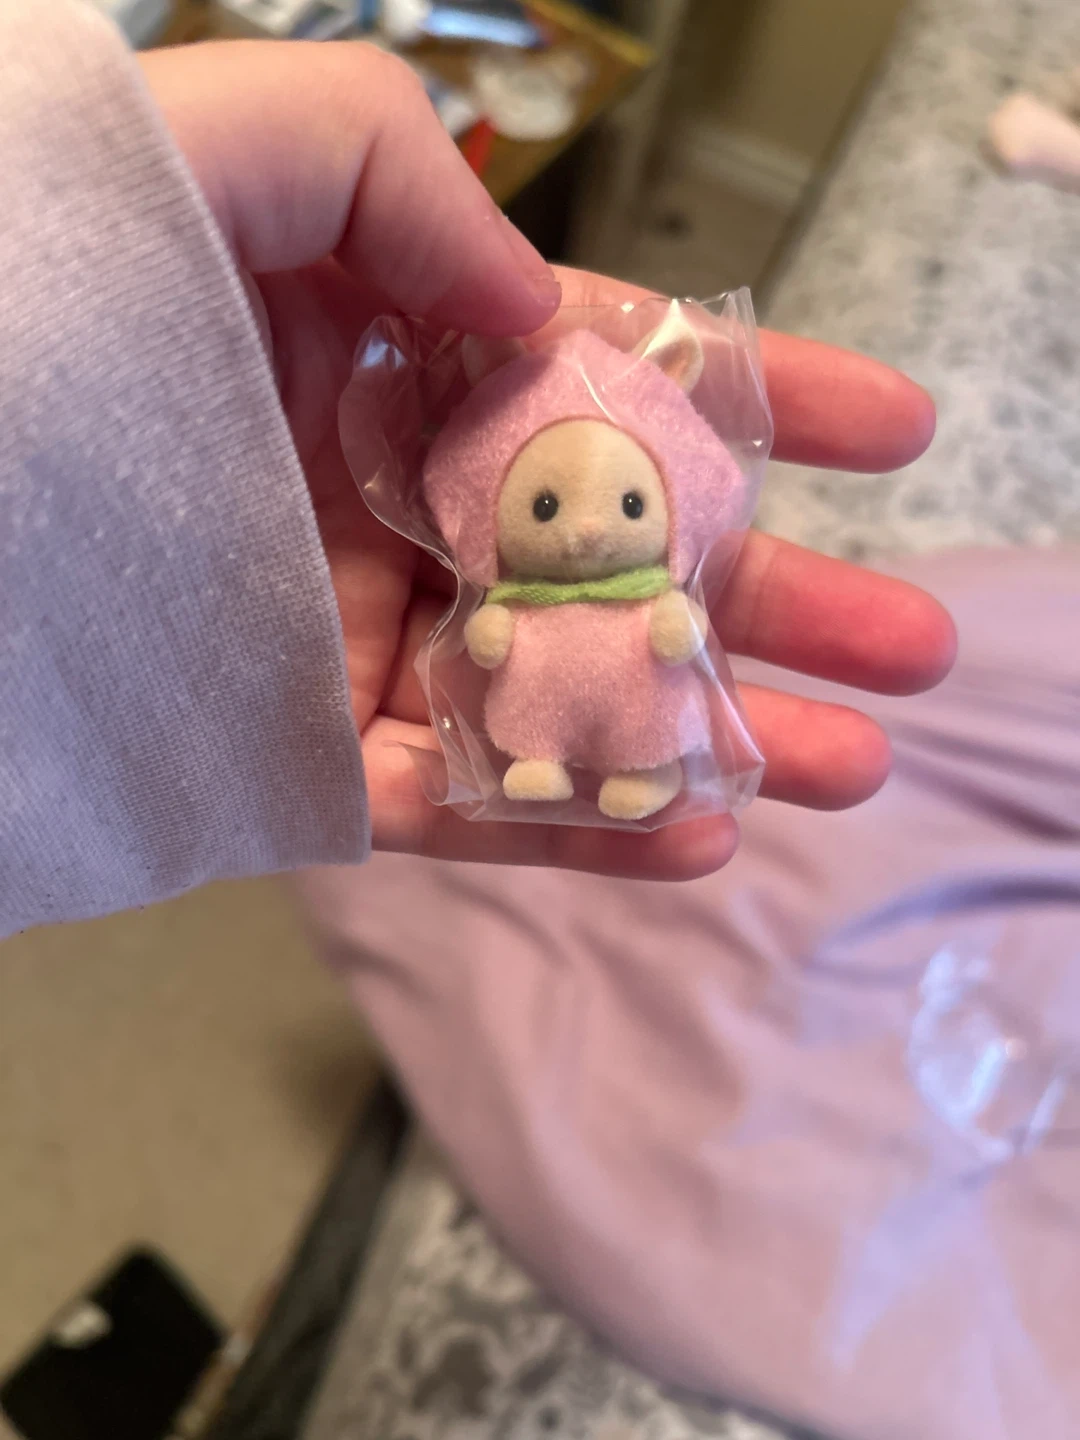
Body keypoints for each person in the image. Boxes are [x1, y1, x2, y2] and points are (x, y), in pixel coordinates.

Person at [0, 4, 954, 937]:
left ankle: (645, 766)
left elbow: (677, 628)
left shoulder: (658, 582)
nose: (588, 526)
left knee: (647, 711)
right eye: (544, 504)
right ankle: (534, 758)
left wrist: (673, 620)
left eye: (630, 502)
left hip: (625, 656)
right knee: (528, 708)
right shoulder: (503, 575)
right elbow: (491, 638)